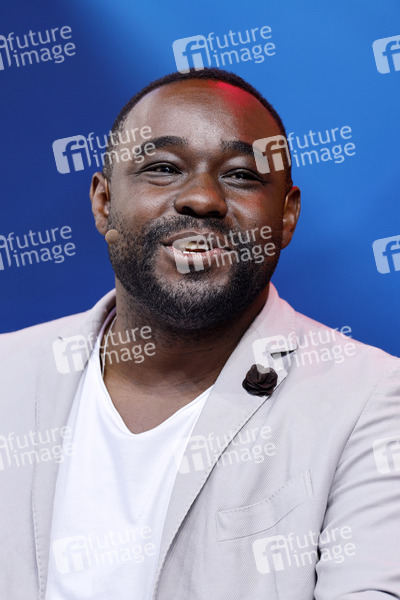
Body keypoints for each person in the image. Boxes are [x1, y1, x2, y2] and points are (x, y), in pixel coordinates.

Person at [0, 68, 399, 600]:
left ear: (286, 216)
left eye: (242, 175)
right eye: (163, 168)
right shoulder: (8, 374)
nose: (203, 199)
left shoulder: (373, 400)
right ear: (104, 203)